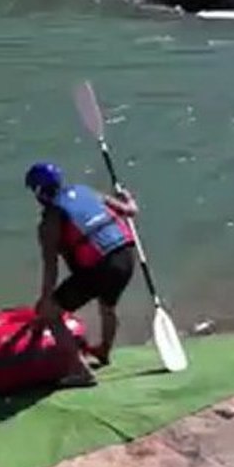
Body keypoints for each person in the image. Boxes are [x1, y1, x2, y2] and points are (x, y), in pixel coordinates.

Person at [25, 160, 139, 387]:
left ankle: (81, 371)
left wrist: (46, 300)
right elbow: (130, 211)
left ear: (38, 192)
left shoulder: (50, 221)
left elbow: (51, 266)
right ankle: (104, 351)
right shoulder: (87, 191)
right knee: (107, 306)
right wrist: (127, 198)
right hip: (126, 256)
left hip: (100, 268)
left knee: (51, 313)